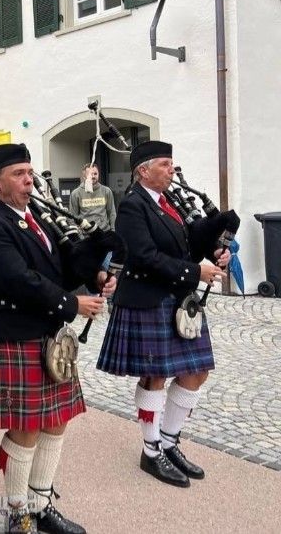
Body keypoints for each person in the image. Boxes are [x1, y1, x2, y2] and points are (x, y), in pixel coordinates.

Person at [0, 144, 115, 533]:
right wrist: (72, 305)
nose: (28, 180)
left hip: (47, 336)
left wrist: (96, 272)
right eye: (18, 174)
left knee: (57, 421)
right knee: (27, 428)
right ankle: (18, 515)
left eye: (29, 172)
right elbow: (17, 280)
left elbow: (61, 270)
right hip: (17, 335)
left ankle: (41, 503)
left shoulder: (38, 218)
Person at [97, 141, 229, 488]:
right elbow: (142, 256)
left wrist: (215, 252)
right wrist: (194, 273)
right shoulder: (132, 206)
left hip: (176, 299)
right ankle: (151, 449)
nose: (172, 170)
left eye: (172, 165)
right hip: (148, 299)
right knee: (154, 376)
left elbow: (185, 245)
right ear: (143, 171)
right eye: (166, 165)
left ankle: (169, 441)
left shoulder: (167, 203)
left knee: (197, 372)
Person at [68, 164, 116, 231]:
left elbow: (111, 213)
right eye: (90, 174)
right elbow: (72, 217)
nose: (93, 176)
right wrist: (77, 234)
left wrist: (113, 230)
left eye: (95, 174)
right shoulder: (76, 194)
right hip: (85, 235)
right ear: (84, 176)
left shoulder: (106, 191)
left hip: (104, 232)